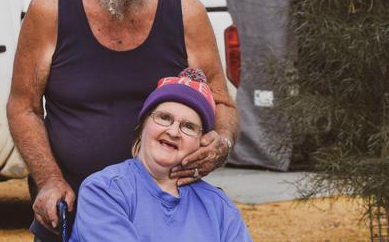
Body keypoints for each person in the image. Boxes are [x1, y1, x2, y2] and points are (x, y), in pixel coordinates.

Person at [6, 0, 239, 242]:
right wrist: (49, 179)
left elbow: (221, 101)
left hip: (163, 218)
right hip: (72, 209)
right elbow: (22, 107)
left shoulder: (185, 11)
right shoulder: (50, 9)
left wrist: (220, 141)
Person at [70, 68, 252, 242]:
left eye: (188, 126)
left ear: (202, 142)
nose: (173, 132)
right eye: (164, 117)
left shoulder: (218, 206)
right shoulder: (104, 191)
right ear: (143, 127)